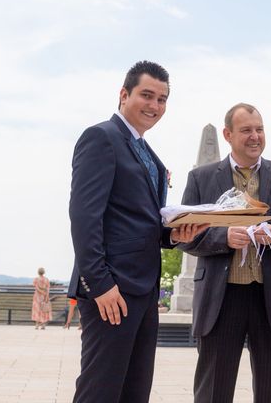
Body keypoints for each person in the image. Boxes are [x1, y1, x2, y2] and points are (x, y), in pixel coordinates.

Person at [68, 60, 206, 402]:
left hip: (144, 292)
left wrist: (173, 235)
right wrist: (100, 284)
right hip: (111, 291)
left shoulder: (148, 153)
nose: (154, 106)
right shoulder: (101, 138)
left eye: (162, 99)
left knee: (134, 391)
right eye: (146, 95)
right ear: (123, 94)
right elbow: (84, 217)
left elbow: (140, 221)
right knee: (100, 391)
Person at [175, 103, 271, 403]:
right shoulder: (201, 178)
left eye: (259, 129)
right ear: (227, 134)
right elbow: (183, 237)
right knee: (213, 392)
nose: (255, 136)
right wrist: (224, 238)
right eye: (246, 130)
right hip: (220, 300)